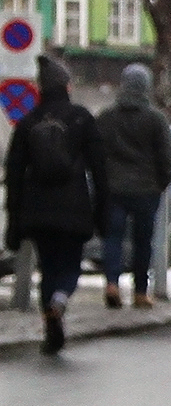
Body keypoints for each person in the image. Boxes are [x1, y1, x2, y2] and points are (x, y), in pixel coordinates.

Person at [3, 55, 108, 355]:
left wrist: (14, 219)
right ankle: (59, 303)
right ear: (67, 86)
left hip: (36, 210)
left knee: (48, 267)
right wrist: (102, 211)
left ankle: (51, 323)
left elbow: (13, 173)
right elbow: (99, 170)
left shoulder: (27, 122)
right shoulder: (82, 119)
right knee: (70, 266)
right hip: (74, 208)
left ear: (40, 88)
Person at [95, 62, 171, 310]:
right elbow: (165, 156)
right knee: (143, 242)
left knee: (113, 238)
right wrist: (162, 181)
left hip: (113, 188)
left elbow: (96, 153)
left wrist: (101, 182)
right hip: (146, 189)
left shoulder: (107, 118)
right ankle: (141, 291)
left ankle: (112, 283)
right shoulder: (155, 119)